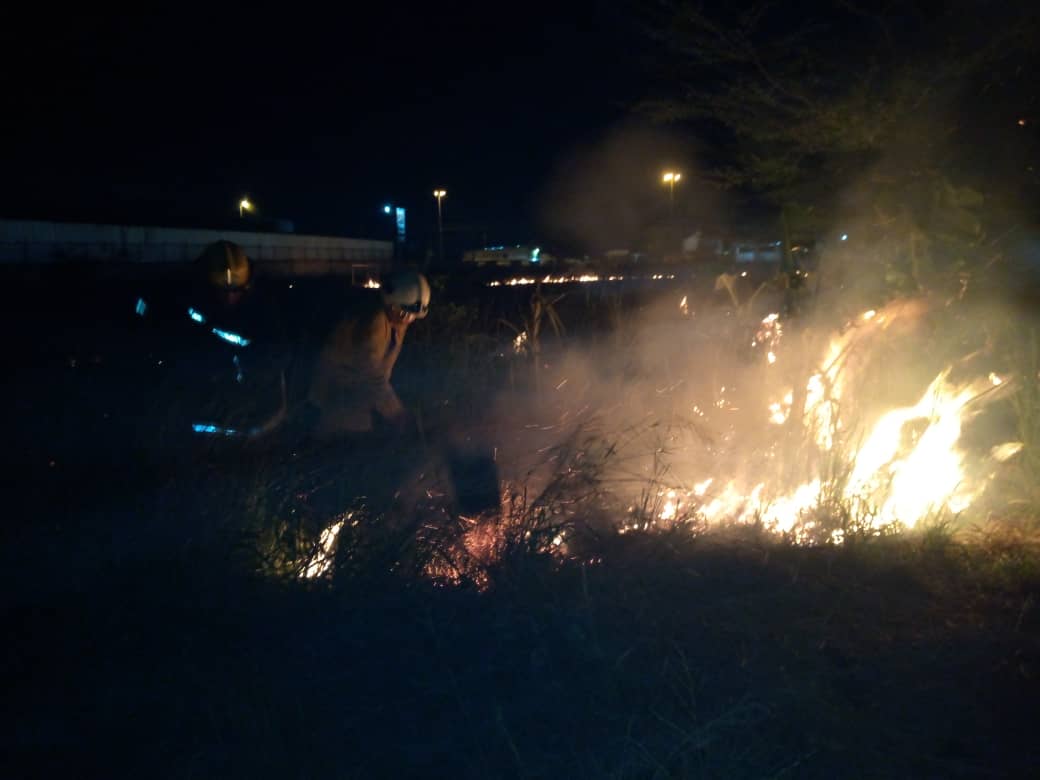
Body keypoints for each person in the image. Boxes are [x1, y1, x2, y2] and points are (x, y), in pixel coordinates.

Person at [306, 269, 430, 440]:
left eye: (412, 316)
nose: (407, 319)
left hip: (355, 395)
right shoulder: (374, 321)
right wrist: (397, 414)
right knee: (344, 447)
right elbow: (371, 376)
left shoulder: (395, 319)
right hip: (336, 395)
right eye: (403, 313)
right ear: (390, 301)